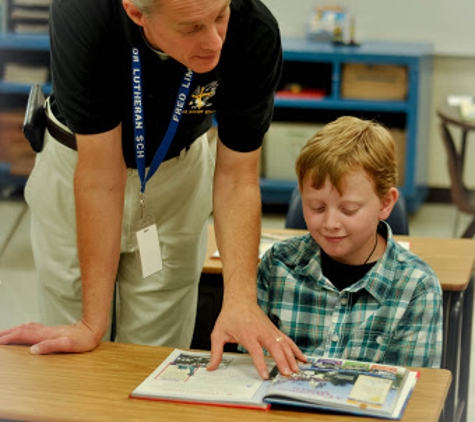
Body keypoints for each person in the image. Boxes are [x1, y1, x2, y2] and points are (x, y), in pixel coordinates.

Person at [0, 0, 305, 379]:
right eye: (192, 28)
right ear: (136, 13)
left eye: (220, 17)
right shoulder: (84, 11)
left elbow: (237, 177)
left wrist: (241, 299)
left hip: (175, 170)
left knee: (155, 350)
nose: (214, 41)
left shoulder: (254, 28)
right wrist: (91, 324)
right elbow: (100, 175)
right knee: (74, 341)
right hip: (81, 165)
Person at [255, 116, 443, 368]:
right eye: (316, 207)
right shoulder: (277, 266)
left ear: (386, 203)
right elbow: (248, 365)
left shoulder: (417, 287)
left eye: (349, 209)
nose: (330, 223)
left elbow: (413, 391)